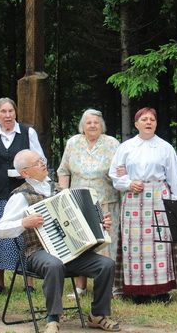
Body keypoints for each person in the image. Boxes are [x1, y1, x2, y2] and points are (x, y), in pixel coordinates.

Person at [0, 149, 120, 333]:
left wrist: (101, 224)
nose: (43, 164)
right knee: (54, 265)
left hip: (71, 251)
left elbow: (80, 223)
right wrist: (24, 222)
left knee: (106, 264)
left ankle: (98, 315)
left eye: (42, 160)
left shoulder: (60, 191)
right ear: (25, 173)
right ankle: (52, 318)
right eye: (37, 163)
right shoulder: (20, 197)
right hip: (37, 252)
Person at [108, 107, 177, 302]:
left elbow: (174, 177)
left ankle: (160, 291)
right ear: (136, 124)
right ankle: (137, 291)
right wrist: (128, 183)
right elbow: (115, 174)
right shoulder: (125, 147)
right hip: (134, 201)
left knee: (160, 243)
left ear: (156, 123)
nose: (148, 122)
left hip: (158, 197)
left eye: (152, 119)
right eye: (144, 119)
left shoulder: (165, 147)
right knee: (133, 245)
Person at [0, 97, 46, 294]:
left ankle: (29, 283)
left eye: (11, 111)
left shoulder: (27, 132)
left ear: (15, 113)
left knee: (26, 234)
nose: (7, 115)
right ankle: (0, 282)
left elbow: (40, 158)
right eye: (3, 112)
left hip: (24, 191)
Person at [57, 109, 120, 297]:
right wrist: (64, 195)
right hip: (78, 202)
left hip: (106, 202)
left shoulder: (112, 144)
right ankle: (80, 286)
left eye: (96, 122)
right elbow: (63, 170)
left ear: (102, 126)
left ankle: (110, 287)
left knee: (107, 244)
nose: (92, 125)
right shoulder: (73, 142)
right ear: (82, 126)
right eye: (88, 122)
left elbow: (121, 172)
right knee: (81, 243)